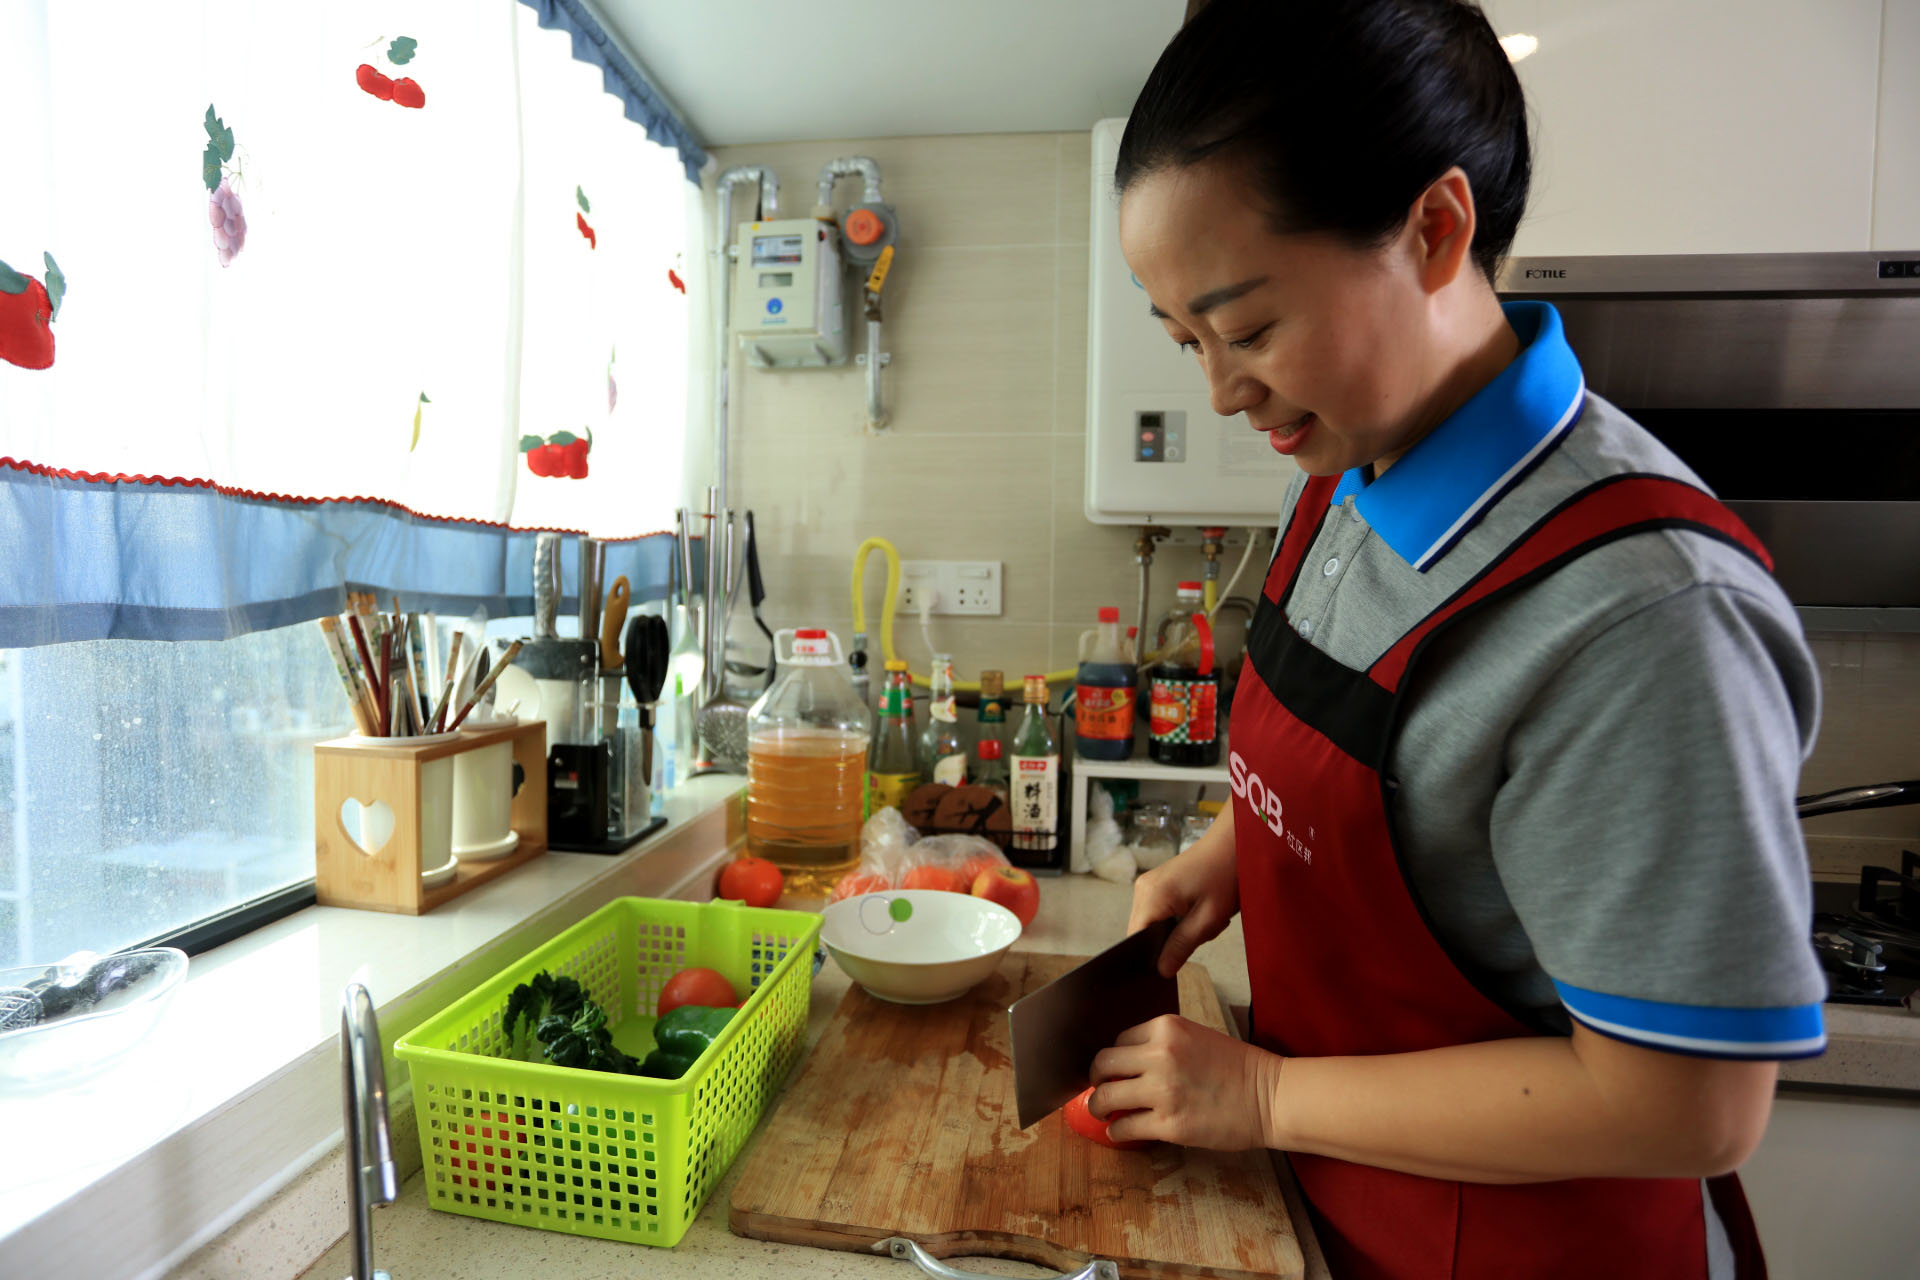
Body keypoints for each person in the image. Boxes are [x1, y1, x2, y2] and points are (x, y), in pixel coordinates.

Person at [1086, 3, 1825, 1277]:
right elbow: (1391, 783)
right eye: (1186, 340)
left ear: (1433, 230)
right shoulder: (1342, 470)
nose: (1221, 388)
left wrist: (1259, 1097)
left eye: (1249, 327)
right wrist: (1229, 856)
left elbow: (1690, 1105)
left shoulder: (1645, 614)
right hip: (1336, 1219)